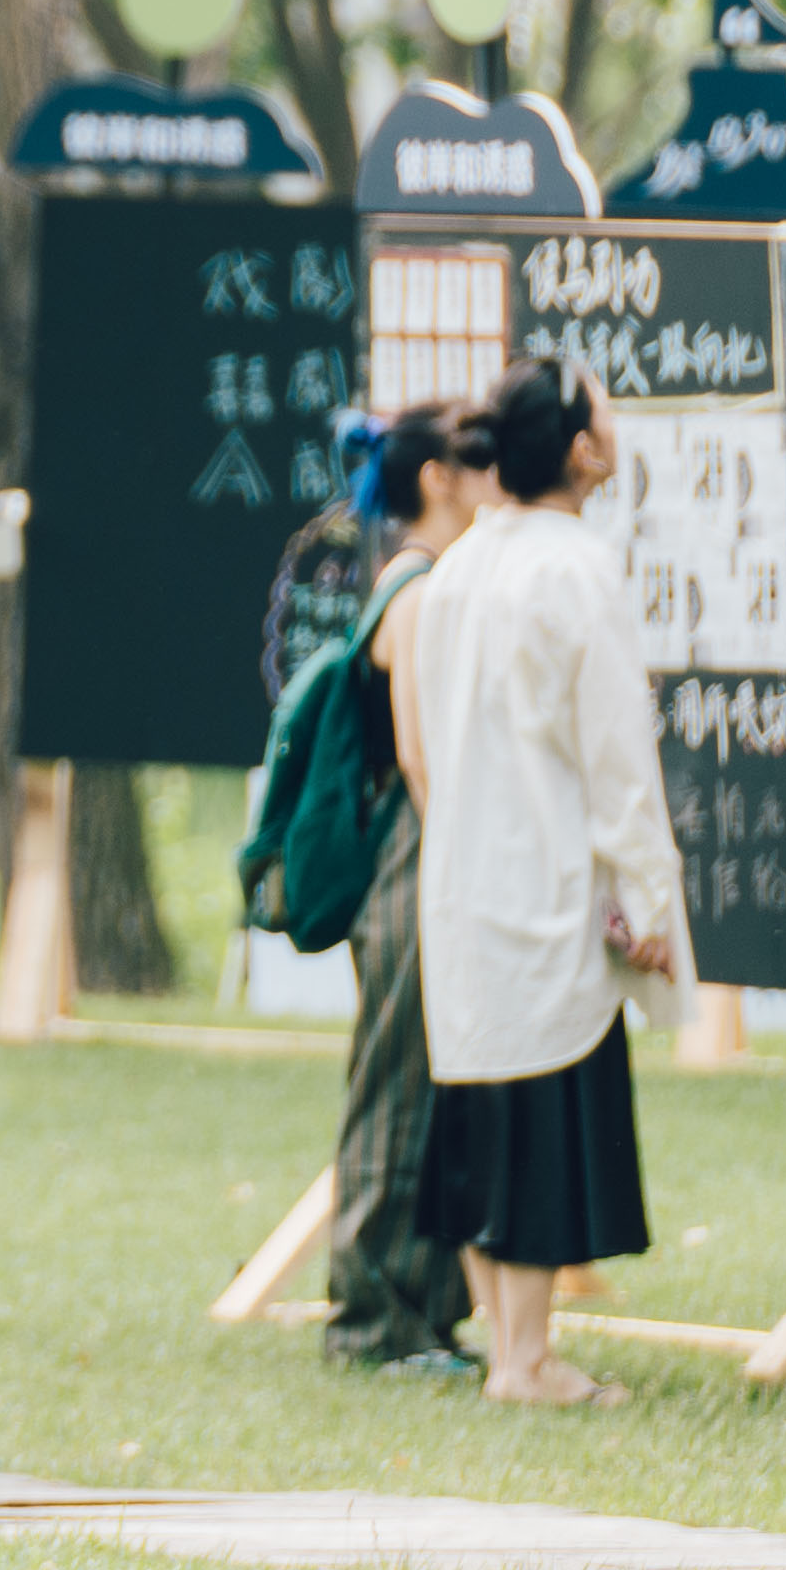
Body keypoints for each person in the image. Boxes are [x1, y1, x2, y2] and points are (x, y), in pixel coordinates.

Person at [405, 359, 684, 1410]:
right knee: (542, 1106)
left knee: (478, 1103)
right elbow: (615, 753)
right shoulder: (576, 567)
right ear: (577, 448)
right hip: (547, 868)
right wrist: (648, 899)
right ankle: (525, 1359)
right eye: (602, 415)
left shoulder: (463, 563)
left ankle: (505, 1344)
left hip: (463, 872)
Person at [325, 404, 478, 1375]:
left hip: (423, 855)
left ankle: (418, 1312)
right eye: (470, 458)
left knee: (427, 1083)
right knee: (394, 1090)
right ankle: (372, 1319)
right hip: (414, 859)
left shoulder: (416, 584)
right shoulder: (415, 592)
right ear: (433, 478)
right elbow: (423, 757)